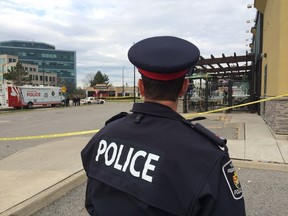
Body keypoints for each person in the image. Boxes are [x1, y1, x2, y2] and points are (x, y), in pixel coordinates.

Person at [81, 36, 246, 216]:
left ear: (141, 87)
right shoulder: (207, 156)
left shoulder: (105, 135)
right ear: (184, 87)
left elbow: (92, 202)